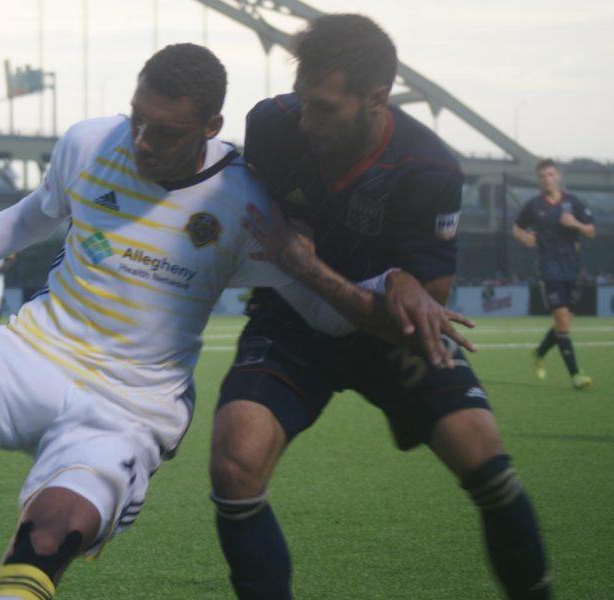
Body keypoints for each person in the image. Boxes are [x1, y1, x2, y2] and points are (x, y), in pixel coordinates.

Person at [0, 44, 465, 600]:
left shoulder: (249, 206)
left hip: (130, 405)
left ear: (209, 127)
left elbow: (322, 312)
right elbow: (33, 216)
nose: (141, 143)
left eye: (165, 133)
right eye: (137, 121)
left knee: (50, 532)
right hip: (36, 350)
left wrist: (393, 283)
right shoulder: (89, 141)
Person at [210, 15, 551, 600]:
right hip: (290, 318)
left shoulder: (431, 167)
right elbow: (263, 203)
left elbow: (417, 316)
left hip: (385, 335)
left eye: (324, 107)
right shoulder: (273, 122)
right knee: (234, 464)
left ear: (377, 98)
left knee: (485, 456)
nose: (307, 120)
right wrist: (298, 233)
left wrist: (363, 274)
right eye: (304, 100)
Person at [512, 159, 595, 389]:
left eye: (550, 174)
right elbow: (516, 228)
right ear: (539, 180)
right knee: (562, 322)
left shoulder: (573, 202)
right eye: (542, 176)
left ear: (558, 176)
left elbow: (590, 231)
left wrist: (575, 223)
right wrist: (525, 237)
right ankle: (576, 375)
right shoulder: (533, 205)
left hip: (573, 268)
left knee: (564, 322)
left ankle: (538, 353)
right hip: (550, 269)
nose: (547, 179)